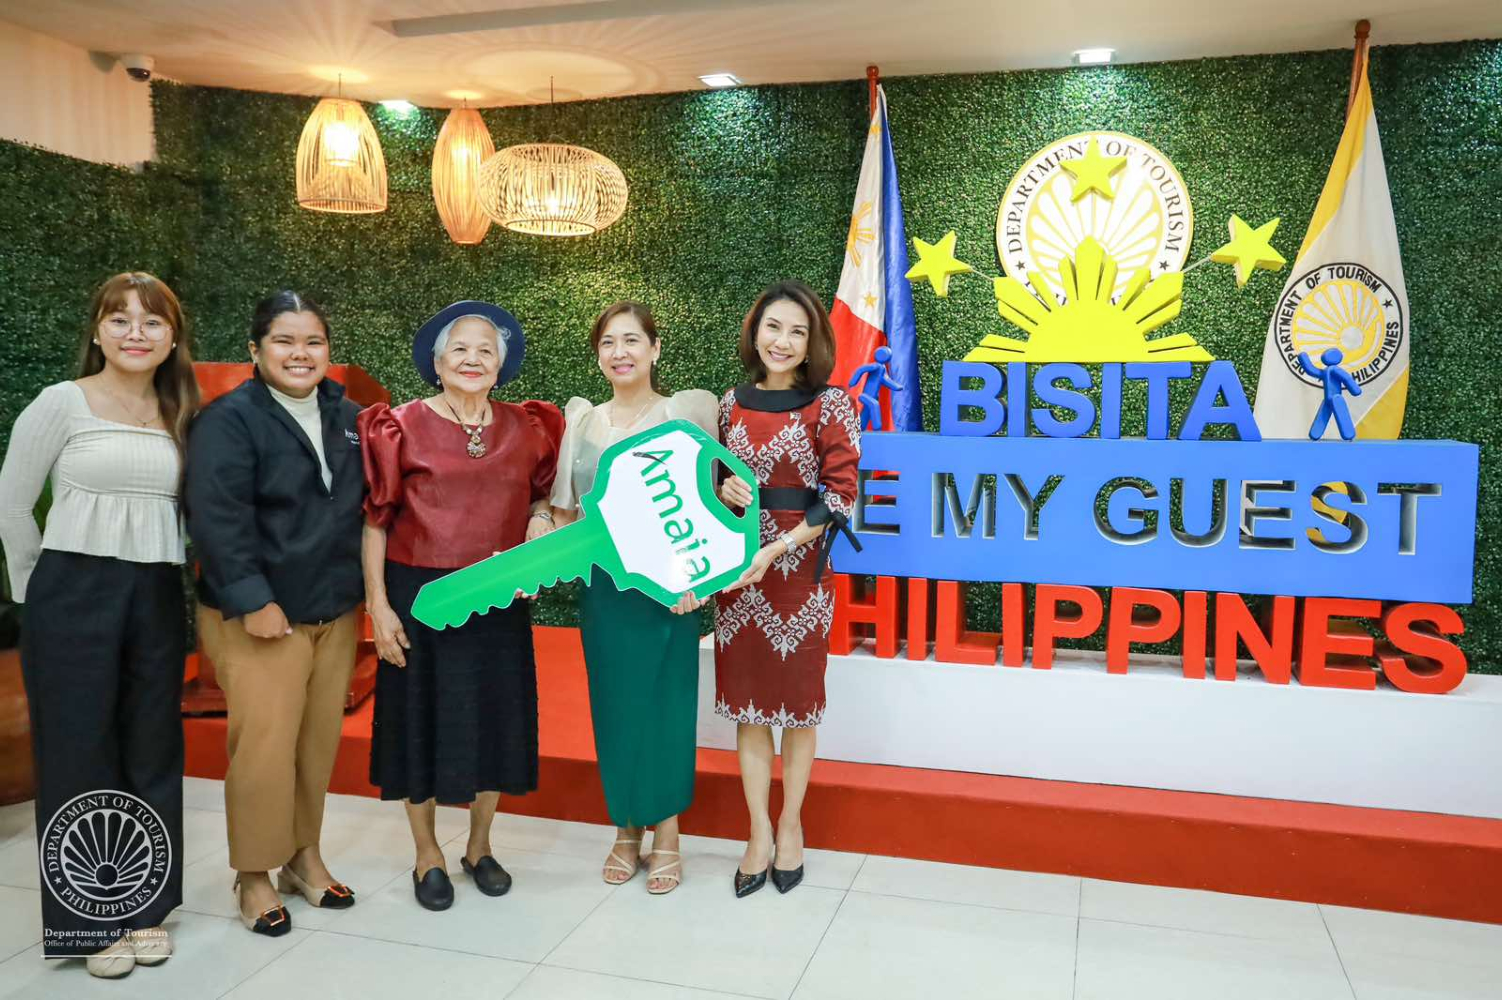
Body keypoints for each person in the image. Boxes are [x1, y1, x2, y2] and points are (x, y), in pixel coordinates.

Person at [0, 272, 199, 977]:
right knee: (80, 750)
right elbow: (13, 505)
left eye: (151, 322)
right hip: (71, 592)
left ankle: (144, 902)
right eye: (121, 320)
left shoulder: (181, 411)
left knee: (151, 746)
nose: (136, 333)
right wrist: (37, 596)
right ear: (96, 331)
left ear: (173, 337)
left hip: (153, 590)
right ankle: (90, 920)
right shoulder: (62, 404)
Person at [359, 301, 563, 911]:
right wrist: (378, 606)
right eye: (460, 350)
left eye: (486, 351)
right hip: (418, 598)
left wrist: (540, 520)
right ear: (437, 362)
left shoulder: (529, 428)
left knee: (496, 722)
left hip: (497, 598)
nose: (473, 359)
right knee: (417, 725)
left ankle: (479, 846)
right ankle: (426, 854)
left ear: (501, 366)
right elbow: (374, 523)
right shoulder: (397, 426)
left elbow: (540, 501)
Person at [185, 291, 365, 936]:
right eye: (284, 341)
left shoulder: (351, 415)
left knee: (316, 744)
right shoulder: (227, 420)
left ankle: (303, 857)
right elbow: (216, 516)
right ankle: (254, 873)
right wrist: (252, 599)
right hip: (262, 614)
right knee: (264, 746)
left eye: (312, 341)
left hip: (334, 609)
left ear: (328, 351)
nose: (300, 353)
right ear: (255, 350)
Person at [546, 302, 717, 895]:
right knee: (615, 707)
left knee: (666, 708)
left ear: (655, 349)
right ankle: (625, 829)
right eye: (608, 343)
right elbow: (566, 510)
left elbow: (708, 505)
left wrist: (695, 578)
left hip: (672, 589)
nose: (620, 352)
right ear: (598, 355)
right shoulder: (583, 422)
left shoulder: (684, 413)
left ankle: (667, 833)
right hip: (605, 591)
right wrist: (543, 530)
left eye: (632, 340)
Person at [714, 280, 862, 898]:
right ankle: (756, 833)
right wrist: (722, 492)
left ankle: (791, 826)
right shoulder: (729, 402)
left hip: (799, 573)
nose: (783, 341)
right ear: (755, 332)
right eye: (774, 327)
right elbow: (712, 482)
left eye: (797, 332)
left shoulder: (831, 405)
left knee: (798, 711)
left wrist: (774, 548)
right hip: (735, 578)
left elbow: (840, 495)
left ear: (812, 343)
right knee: (748, 713)